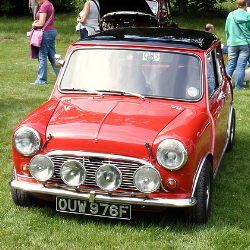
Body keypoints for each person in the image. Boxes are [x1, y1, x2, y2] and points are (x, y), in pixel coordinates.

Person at [30, 0, 59, 85]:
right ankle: (61, 76)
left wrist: (34, 24)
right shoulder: (50, 4)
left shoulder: (44, 6)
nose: (36, 0)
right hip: (51, 31)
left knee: (42, 56)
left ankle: (41, 80)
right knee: (53, 56)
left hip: (45, 33)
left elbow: (41, 23)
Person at [225, 0, 250, 90]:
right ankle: (239, 86)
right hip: (244, 43)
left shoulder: (230, 15)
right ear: (246, 4)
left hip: (232, 43)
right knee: (241, 66)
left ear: (237, 4)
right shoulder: (248, 16)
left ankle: (225, 85)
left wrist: (229, 40)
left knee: (230, 64)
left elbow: (227, 29)